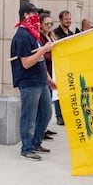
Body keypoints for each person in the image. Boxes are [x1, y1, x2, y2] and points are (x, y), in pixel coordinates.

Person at [10, 2, 55, 160]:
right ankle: (26, 149)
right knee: (29, 117)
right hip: (29, 83)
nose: (37, 17)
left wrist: (49, 80)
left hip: (40, 82)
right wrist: (43, 49)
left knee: (46, 113)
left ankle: (36, 142)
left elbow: (41, 60)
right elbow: (26, 63)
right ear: (26, 16)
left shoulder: (33, 34)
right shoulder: (22, 36)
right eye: (34, 14)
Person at [51, 10, 73, 125]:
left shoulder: (72, 33)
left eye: (69, 19)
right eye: (66, 19)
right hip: (58, 67)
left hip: (68, 65)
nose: (68, 21)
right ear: (60, 20)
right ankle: (59, 115)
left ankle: (66, 114)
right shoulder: (55, 33)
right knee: (58, 91)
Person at [39, 12, 58, 141]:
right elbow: (42, 56)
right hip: (45, 73)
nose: (49, 26)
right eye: (47, 23)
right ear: (41, 24)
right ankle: (40, 131)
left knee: (48, 104)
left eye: (51, 23)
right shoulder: (40, 39)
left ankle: (44, 128)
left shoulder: (51, 37)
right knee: (43, 107)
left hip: (52, 72)